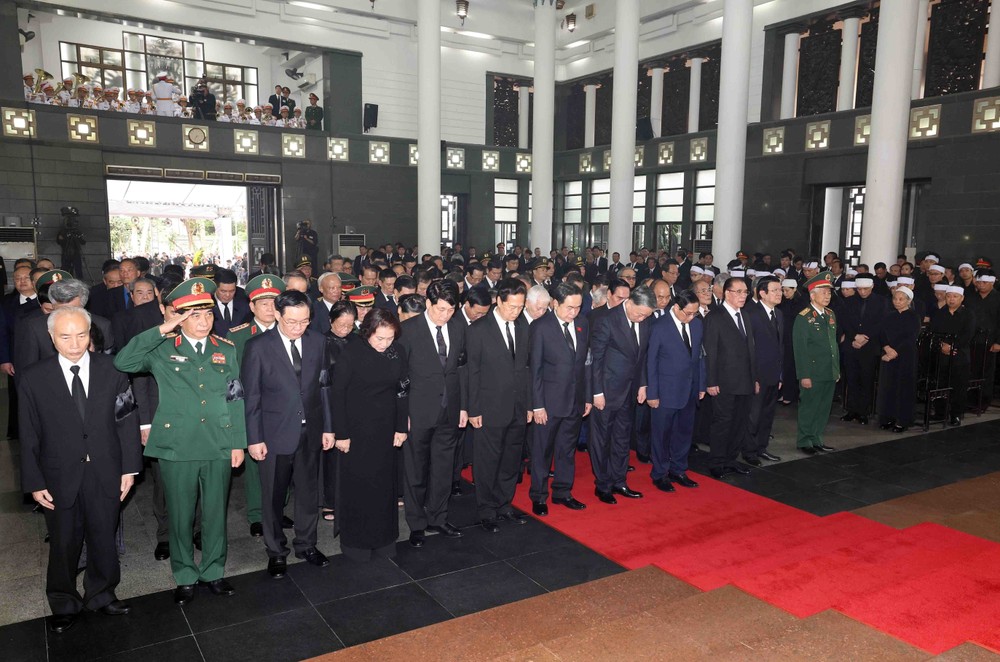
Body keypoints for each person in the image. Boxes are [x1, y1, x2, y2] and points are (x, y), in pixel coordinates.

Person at [114, 277, 246, 606]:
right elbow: (123, 362)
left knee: (216, 513)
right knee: (180, 514)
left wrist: (237, 443)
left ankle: (214, 571)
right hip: (177, 445)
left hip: (218, 442)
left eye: (208, 315)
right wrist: (162, 328)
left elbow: (236, 397)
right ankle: (185, 574)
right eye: (195, 316)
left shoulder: (225, 349)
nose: (204, 322)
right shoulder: (162, 349)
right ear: (180, 317)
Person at [20, 307, 142, 634]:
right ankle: (63, 600)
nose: (74, 343)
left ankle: (102, 593)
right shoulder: (33, 377)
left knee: (104, 535)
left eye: (81, 335)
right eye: (65, 336)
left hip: (105, 470)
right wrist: (34, 481)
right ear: (51, 337)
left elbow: (126, 420)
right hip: (58, 475)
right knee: (63, 541)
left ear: (91, 334)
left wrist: (130, 468)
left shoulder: (113, 370)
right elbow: (28, 433)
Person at [242, 290, 332, 578]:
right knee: (273, 497)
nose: (298, 327)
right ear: (278, 315)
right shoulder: (258, 346)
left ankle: (306, 544)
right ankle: (276, 551)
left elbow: (324, 389)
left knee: (308, 493)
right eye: (291, 321)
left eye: (304, 321)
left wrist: (329, 427)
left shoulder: (318, 342)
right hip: (274, 434)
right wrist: (254, 438)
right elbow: (251, 396)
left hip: (311, 431)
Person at [330, 308, 408, 560]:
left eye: (390, 338)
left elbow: (402, 391)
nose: (385, 344)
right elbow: (338, 395)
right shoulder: (351, 352)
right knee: (359, 486)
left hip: (386, 429)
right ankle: (357, 543)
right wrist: (341, 433)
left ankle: (384, 538)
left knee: (385, 485)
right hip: (356, 430)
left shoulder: (397, 351)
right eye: (380, 339)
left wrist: (401, 427)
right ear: (367, 333)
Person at [395, 280, 467, 547]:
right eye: (440, 310)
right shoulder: (408, 331)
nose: (445, 315)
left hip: (449, 410)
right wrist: (403, 415)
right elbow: (399, 377)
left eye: (450, 310)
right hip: (418, 411)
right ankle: (416, 523)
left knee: (443, 468)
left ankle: (438, 517)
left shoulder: (459, 327)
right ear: (428, 303)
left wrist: (463, 406)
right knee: (415, 470)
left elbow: (461, 370)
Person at [466, 279, 531, 532]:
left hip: (517, 405)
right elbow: (472, 372)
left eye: (520, 307)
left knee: (511, 458)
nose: (516, 311)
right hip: (489, 406)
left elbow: (526, 369)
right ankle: (486, 509)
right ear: (499, 301)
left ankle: (504, 504)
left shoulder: (524, 327)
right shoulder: (478, 329)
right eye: (512, 306)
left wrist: (529, 405)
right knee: (487, 460)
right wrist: (474, 409)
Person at [228, 274, 285, 538]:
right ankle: (256, 514)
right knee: (255, 463)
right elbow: (233, 379)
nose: (270, 308)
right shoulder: (238, 336)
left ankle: (277, 509)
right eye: (263, 304)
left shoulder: (289, 330)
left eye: (274, 302)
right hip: (253, 408)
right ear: (251, 307)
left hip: (282, 410)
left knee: (284, 459)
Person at [529, 282, 592, 516]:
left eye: (578, 307)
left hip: (575, 401)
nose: (573, 312)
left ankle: (563, 492)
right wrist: (537, 405)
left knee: (567, 450)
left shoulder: (583, 324)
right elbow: (534, 369)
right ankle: (539, 495)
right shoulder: (540, 327)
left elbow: (586, 363)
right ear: (555, 303)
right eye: (569, 307)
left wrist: (586, 396)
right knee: (542, 452)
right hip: (548, 402)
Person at [588, 285, 655, 504]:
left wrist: (643, 384)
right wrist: (596, 392)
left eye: (646, 315)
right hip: (606, 391)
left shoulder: (644, 321)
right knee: (602, 438)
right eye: (640, 313)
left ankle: (619, 480)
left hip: (629, 391)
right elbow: (596, 359)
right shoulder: (607, 320)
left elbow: (642, 357)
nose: (642, 318)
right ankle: (603, 485)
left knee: (622, 437)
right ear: (631, 302)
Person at [646, 289, 705, 492]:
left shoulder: (697, 325)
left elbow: (700, 357)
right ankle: (660, 473)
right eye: (688, 313)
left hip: (689, 388)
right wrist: (652, 393)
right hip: (665, 391)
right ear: (676, 307)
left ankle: (678, 469)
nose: (691, 317)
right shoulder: (659, 327)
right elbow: (650, 362)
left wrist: (701, 385)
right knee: (661, 435)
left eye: (695, 313)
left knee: (684, 432)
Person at [702, 276, 758, 478]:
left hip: (745, 381)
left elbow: (751, 350)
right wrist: (711, 381)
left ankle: (731, 459)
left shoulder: (745, 316)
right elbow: (710, 351)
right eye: (739, 292)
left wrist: (754, 378)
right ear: (727, 293)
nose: (743, 296)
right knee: (722, 423)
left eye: (745, 292)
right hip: (724, 382)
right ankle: (716, 462)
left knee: (739, 423)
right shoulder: (715, 317)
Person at [793, 272, 840, 454]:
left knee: (823, 408)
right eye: (823, 292)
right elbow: (800, 349)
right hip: (812, 371)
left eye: (829, 292)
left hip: (828, 370)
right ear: (812, 294)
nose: (828, 296)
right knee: (809, 407)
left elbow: (833, 344)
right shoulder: (804, 317)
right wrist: (804, 375)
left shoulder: (830, 314)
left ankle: (817, 438)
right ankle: (804, 440)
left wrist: (836, 370)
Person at [741, 276, 784, 465]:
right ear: (762, 293)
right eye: (774, 290)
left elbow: (780, 347)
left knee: (767, 415)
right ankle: (749, 451)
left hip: (774, 374)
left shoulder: (779, 314)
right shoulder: (750, 313)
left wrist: (780, 373)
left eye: (780, 290)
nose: (779, 293)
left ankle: (761, 447)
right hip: (757, 375)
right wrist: (753, 377)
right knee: (753, 415)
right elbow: (747, 348)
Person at [839, 276, 889, 425]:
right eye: (859, 289)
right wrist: (854, 336)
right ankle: (851, 410)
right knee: (852, 378)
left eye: (865, 289)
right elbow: (844, 322)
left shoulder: (882, 302)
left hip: (870, 346)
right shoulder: (849, 302)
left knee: (866, 379)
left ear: (872, 287)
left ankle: (863, 412)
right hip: (851, 344)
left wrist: (865, 338)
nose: (862, 292)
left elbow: (881, 324)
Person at [930, 285, 977, 426]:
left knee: (959, 386)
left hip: (959, 354)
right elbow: (934, 332)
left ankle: (956, 414)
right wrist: (942, 346)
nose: (951, 299)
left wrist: (952, 347)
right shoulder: (939, 313)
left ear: (962, 298)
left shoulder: (968, 315)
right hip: (941, 354)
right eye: (949, 296)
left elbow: (968, 335)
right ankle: (940, 412)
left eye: (955, 296)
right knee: (940, 383)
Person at [878, 288, 922, 432]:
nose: (897, 302)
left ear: (909, 301)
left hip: (905, 356)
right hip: (888, 354)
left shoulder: (913, 316)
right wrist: (886, 348)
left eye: (901, 299)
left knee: (903, 388)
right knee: (888, 386)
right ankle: (887, 417)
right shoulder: (888, 316)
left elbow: (910, 337)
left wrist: (895, 351)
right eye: (895, 299)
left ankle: (903, 420)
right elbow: (882, 333)